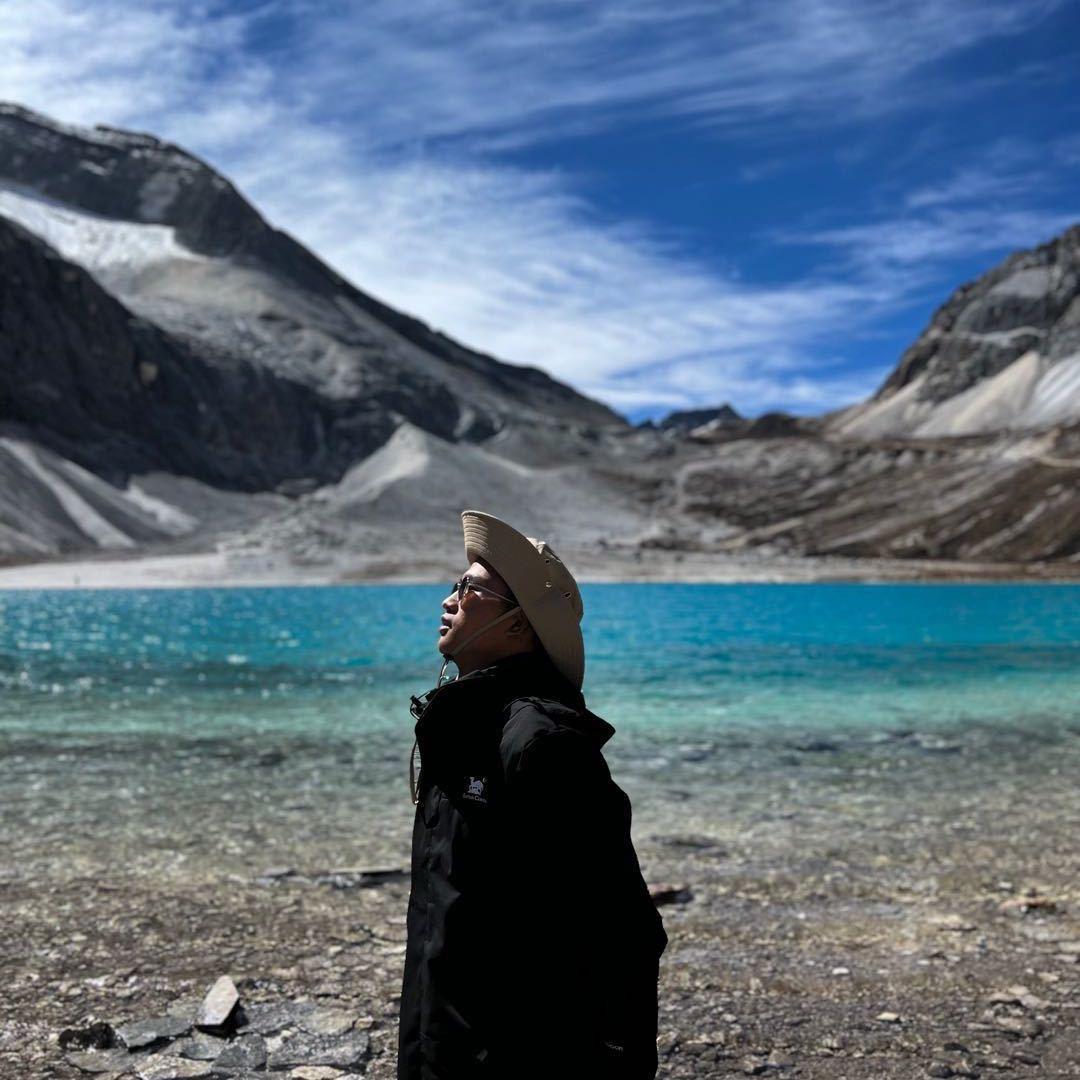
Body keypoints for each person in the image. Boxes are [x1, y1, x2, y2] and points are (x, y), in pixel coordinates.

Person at [397, 510, 668, 1080]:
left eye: (469, 589)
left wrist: (617, 1058)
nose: (449, 600)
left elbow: (624, 927)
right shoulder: (465, 727)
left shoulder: (541, 742)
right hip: (446, 1045)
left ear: (520, 627)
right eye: (454, 584)